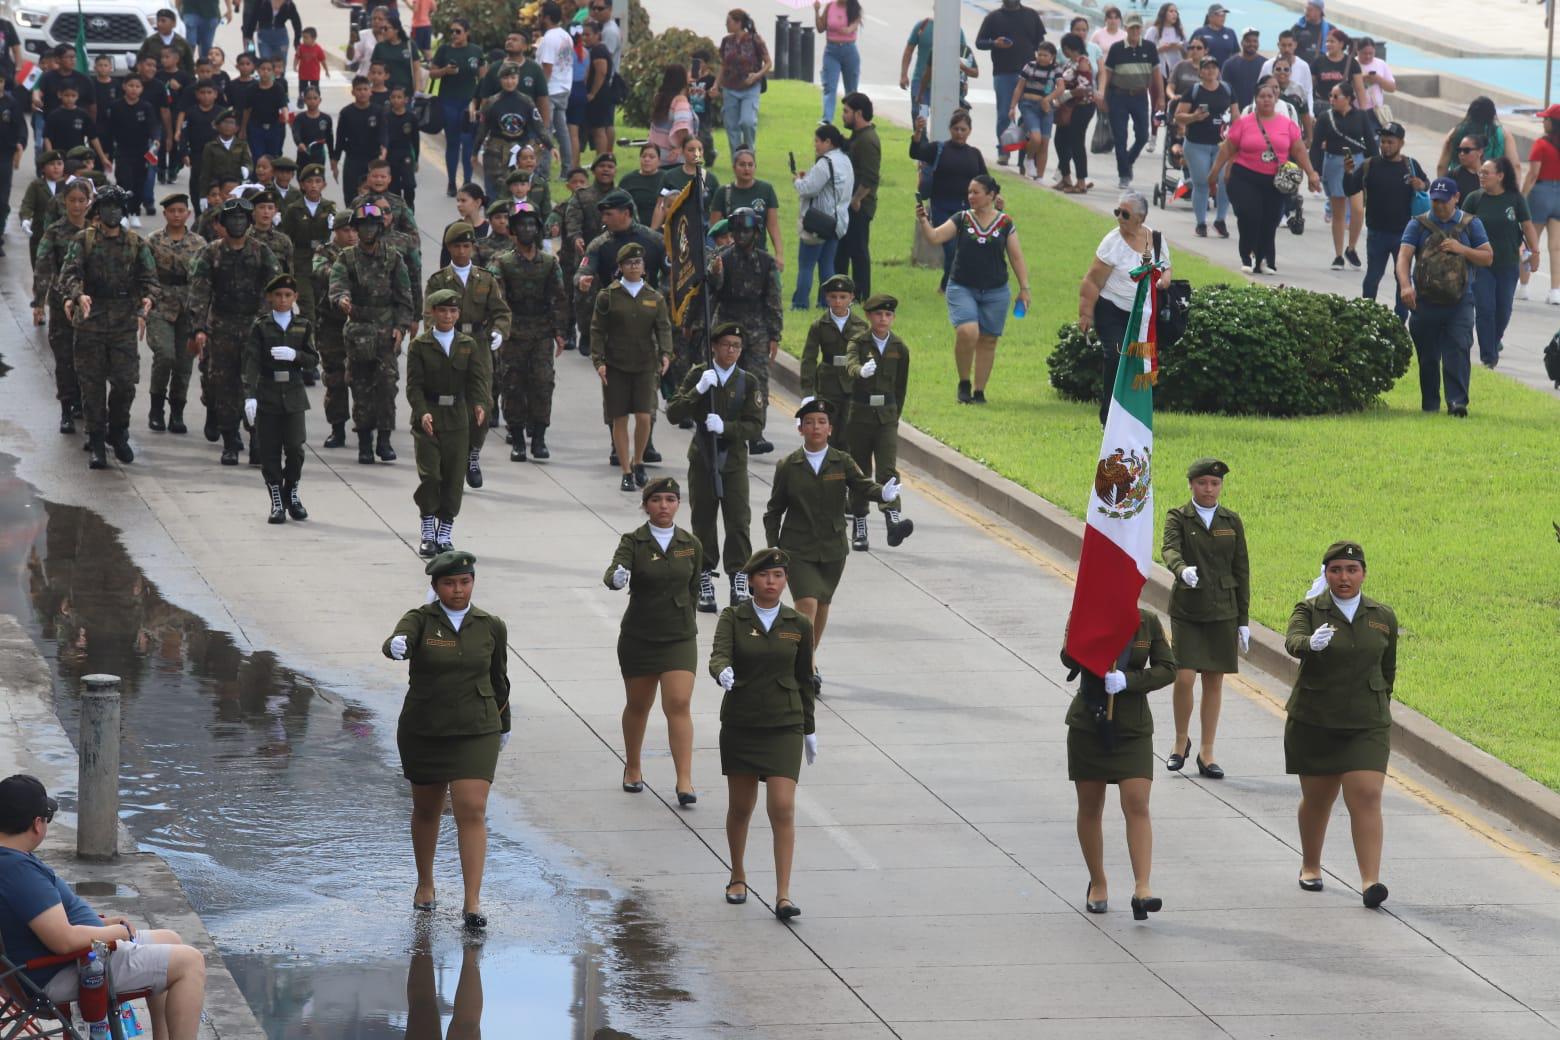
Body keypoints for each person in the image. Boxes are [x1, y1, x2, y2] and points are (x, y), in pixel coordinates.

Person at [0, 775, 209, 1039]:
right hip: (62, 971)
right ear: (37, 824)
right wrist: (117, 934)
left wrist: (103, 924)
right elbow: (63, 941)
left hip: (56, 962)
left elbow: (45, 922)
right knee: (190, 961)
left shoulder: (11, 860)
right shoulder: (18, 872)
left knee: (170, 939)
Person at [383, 550, 510, 932]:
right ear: (436, 587)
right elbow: (395, 640)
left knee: (472, 807)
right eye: (450, 583)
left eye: (465, 581)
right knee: (428, 809)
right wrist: (396, 647)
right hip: (426, 727)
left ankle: (472, 901)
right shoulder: (421, 620)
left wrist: (503, 725)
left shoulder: (490, 625)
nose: (458, 589)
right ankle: (425, 883)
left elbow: (499, 678)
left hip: (477, 727)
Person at [1283, 541, 1396, 909]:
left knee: (1366, 795)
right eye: (1336, 570)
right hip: (1316, 719)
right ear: (1325, 574)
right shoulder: (1311, 609)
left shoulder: (1382, 615)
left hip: (1366, 722)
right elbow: (1293, 640)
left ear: (1363, 573)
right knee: (1319, 798)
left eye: (1351, 570)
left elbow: (1388, 668)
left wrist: (1378, 703)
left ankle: (1370, 882)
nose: (1344, 578)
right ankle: (1311, 864)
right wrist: (1309, 645)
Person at [710, 547, 818, 920]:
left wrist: (809, 729)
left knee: (783, 807)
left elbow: (805, 677)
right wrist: (721, 672)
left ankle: (783, 895)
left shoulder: (799, 623)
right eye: (765, 576)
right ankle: (737, 875)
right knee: (741, 807)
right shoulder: (733, 618)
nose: (772, 583)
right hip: (743, 722)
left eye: (779, 576)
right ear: (751, 580)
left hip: (784, 724)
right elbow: (718, 655)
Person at [763, 398, 903, 656]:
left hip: (832, 550)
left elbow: (862, 485)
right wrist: (774, 547)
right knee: (806, 604)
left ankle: (806, 657)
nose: (815, 427)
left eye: (821, 422)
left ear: (830, 429)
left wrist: (883, 493)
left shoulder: (842, 462)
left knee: (823, 604)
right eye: (809, 423)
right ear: (800, 429)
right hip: (797, 549)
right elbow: (773, 511)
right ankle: (807, 665)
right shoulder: (788, 466)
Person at [1060, 609, 1174, 920]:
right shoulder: (1086, 611)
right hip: (1089, 721)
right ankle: (1097, 882)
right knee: (1090, 806)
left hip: (1132, 728)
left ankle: (1143, 887)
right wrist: (1089, 630)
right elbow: (1068, 659)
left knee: (1137, 802)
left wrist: (1130, 680)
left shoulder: (1147, 622)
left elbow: (1168, 669)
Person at [602, 476, 705, 801]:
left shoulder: (690, 543)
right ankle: (633, 767)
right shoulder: (634, 541)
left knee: (678, 703)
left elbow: (694, 589)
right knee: (638, 704)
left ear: (678, 504)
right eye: (657, 499)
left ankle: (684, 781)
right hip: (640, 636)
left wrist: (683, 614)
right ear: (646, 505)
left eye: (671, 499)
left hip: (679, 636)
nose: (664, 506)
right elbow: (614, 572)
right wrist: (617, 579)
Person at [665, 324, 764, 611]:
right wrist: (698, 390)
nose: (731, 350)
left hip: (733, 462)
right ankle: (705, 577)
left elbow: (756, 426)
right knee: (704, 522)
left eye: (736, 345)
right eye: (725, 344)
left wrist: (727, 427)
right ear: (714, 347)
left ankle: (739, 578)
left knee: (738, 522)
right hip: (703, 460)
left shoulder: (748, 382)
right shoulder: (700, 375)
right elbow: (673, 413)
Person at [1160, 457, 1249, 778]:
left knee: (1214, 681)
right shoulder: (1178, 517)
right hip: (1188, 609)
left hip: (1223, 610)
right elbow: (1169, 549)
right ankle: (1180, 742)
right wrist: (1181, 570)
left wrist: (1243, 620)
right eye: (1202, 483)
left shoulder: (1231, 520)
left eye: (1214, 483)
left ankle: (1206, 752)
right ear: (1191, 485)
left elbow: (1241, 569)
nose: (1209, 489)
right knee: (1184, 677)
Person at [59, 187, 158, 471]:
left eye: (117, 207)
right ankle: (98, 441)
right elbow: (70, 273)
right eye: (107, 206)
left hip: (124, 323)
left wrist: (148, 300)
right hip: (90, 321)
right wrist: (78, 294)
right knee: (91, 386)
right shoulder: (84, 240)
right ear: (98, 211)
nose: (112, 212)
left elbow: (150, 280)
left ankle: (118, 430)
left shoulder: (135, 243)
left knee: (125, 384)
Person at [916, 175, 1031, 405]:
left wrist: (1024, 289)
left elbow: (1016, 257)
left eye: (976, 192)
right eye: (969, 192)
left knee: (988, 340)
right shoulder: (962, 219)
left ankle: (979, 392)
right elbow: (935, 237)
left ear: (990, 195)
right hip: (962, 286)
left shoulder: (1005, 223)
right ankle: (963, 383)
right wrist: (923, 221)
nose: (971, 196)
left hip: (996, 291)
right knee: (968, 332)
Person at [1396, 178, 1492, 417]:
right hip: (1424, 301)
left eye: (1444, 200)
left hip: (1460, 301)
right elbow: (1404, 257)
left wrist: (1462, 250)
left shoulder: (1472, 224)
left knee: (1458, 350)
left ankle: (1457, 403)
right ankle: (1430, 404)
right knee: (1427, 356)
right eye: (1435, 200)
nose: (1439, 205)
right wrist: (1406, 286)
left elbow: (1488, 257)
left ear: (1456, 198)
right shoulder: (1417, 225)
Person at [328, 201, 414, 464]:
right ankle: (365, 442)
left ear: (379, 228)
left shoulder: (393, 257)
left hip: (386, 333)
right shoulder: (347, 258)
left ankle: (384, 440)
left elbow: (404, 298)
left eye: (372, 226)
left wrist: (400, 328)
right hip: (358, 332)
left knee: (387, 386)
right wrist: (342, 299)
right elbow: (337, 285)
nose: (367, 231)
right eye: (363, 226)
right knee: (361, 387)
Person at [424, 223, 509, 489]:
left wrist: (499, 332)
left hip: (478, 346)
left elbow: (501, 311)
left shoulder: (485, 279)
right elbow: (429, 314)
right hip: (448, 345)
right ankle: (451, 458)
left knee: (482, 404)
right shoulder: (439, 280)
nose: (462, 251)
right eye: (457, 246)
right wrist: (434, 337)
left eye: (466, 246)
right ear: (449, 248)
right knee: (448, 405)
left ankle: (473, 454)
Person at [405, 290, 489, 554]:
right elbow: (413, 386)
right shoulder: (420, 345)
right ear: (432, 312)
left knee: (454, 478)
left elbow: (476, 380)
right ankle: (428, 528)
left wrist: (480, 404)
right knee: (430, 475)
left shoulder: (467, 344)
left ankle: (445, 532)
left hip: (457, 418)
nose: (448, 316)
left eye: (453, 311)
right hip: (429, 417)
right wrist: (421, 412)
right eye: (443, 310)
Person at [1077, 191, 1170, 424]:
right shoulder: (1112, 242)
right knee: (1116, 358)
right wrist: (1085, 313)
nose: (1119, 217)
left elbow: (1166, 267)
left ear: (1141, 217)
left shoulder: (1155, 239)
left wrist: (1165, 279)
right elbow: (1092, 280)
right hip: (1112, 311)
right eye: (1117, 212)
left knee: (1141, 365)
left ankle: (1135, 415)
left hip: (1143, 315)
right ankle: (1108, 417)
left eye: (1125, 214)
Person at [1209, 82, 1320, 275]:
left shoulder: (1288, 125)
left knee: (1270, 220)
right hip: (1245, 176)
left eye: (1270, 96)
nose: (1266, 100)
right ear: (1255, 99)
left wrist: (1311, 173)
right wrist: (1214, 173)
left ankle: (1264, 259)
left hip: (1275, 180)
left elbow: (1299, 149)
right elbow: (1228, 148)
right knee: (1249, 215)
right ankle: (1247, 255)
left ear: (1276, 99)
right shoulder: (1244, 123)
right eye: (1262, 96)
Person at [592, 242, 672, 491]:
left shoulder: (654, 297)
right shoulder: (608, 296)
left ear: (644, 266)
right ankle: (626, 470)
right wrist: (599, 360)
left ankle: (639, 463)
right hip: (616, 364)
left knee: (645, 416)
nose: (634, 267)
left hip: (645, 364)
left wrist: (666, 353)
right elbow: (597, 329)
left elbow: (663, 327)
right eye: (629, 263)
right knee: (619, 417)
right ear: (621, 267)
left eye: (638, 263)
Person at [493, 202, 568, 462]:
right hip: (513, 332)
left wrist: (560, 332)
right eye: (521, 225)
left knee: (543, 384)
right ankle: (517, 438)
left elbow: (558, 298)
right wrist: (499, 329)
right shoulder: (502, 262)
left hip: (541, 332)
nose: (527, 229)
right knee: (512, 384)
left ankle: (539, 438)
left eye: (531, 225)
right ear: (513, 230)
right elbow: (498, 298)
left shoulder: (548, 262)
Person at [843, 294, 916, 552]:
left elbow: (901, 387)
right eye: (878, 314)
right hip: (861, 414)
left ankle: (892, 521)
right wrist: (859, 370)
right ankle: (860, 524)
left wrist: (894, 416)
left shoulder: (899, 347)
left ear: (893, 318)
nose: (883, 319)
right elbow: (850, 363)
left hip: (886, 415)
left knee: (887, 469)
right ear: (870, 317)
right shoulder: (859, 342)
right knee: (861, 471)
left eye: (888, 315)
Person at [242, 273, 316, 523]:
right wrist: (250, 396)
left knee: (295, 448)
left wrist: (295, 355)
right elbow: (251, 362)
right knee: (269, 450)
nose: (283, 300)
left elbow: (313, 359)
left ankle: (291, 491)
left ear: (295, 297)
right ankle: (276, 498)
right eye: (278, 295)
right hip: (268, 394)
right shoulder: (261, 326)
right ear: (270, 298)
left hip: (293, 394)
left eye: (288, 295)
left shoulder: (303, 325)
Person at [708, 207, 783, 450]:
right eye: (737, 230)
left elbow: (773, 300)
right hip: (728, 323)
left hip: (757, 328)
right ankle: (723, 428)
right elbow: (711, 293)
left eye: (746, 231)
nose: (741, 235)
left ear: (757, 233)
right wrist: (715, 273)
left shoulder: (765, 261)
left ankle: (756, 432)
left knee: (758, 380)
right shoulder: (722, 258)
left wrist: (774, 335)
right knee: (724, 379)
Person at [1344, 122, 1425, 320]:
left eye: (1390, 142)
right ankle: (1366, 316)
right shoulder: (1369, 165)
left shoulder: (1410, 165)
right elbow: (1350, 189)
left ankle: (1400, 319)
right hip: (1377, 233)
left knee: (1402, 279)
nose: (1385, 146)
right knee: (1372, 278)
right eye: (1383, 141)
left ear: (1401, 143)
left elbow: (1427, 186)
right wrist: (1347, 173)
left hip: (1405, 235)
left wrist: (1421, 185)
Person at [1460, 159, 1535, 370]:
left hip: (1508, 264)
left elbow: (1528, 227)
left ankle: (1492, 343)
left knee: (1503, 310)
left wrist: (1535, 252)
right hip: (1480, 264)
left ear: (1500, 176)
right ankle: (1488, 357)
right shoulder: (1474, 199)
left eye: (1486, 173)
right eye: (1480, 173)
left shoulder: (1515, 199)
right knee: (1485, 309)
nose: (1481, 176)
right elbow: (1461, 228)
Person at [29, 176, 87, 434]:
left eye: (81, 200)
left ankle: (83, 403)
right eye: (72, 200)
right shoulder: (54, 232)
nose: (77, 205)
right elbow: (43, 267)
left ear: (89, 202)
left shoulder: (95, 232)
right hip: (61, 303)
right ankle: (66, 409)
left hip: (89, 305)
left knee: (87, 358)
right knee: (64, 358)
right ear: (64, 202)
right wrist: (39, 302)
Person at [145, 193, 205, 436]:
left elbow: (203, 279)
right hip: (161, 304)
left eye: (181, 211)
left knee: (184, 363)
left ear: (188, 214)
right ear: (165, 214)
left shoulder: (199, 244)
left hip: (189, 308)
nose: (177, 215)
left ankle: (177, 411)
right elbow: (145, 272)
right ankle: (156, 407)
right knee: (165, 355)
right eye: (173, 211)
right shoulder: (153, 241)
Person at [910, 110, 989, 290]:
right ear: (950, 129)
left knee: (964, 251)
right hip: (941, 208)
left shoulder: (974, 154)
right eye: (956, 129)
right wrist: (917, 133)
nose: (959, 133)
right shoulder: (939, 149)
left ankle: (950, 285)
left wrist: (995, 195)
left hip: (966, 211)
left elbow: (986, 180)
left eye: (963, 129)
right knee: (951, 249)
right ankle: (948, 286)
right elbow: (915, 153)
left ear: (969, 131)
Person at [790, 123, 853, 311]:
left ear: (828, 142)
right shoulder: (845, 160)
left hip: (818, 223)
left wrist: (798, 181)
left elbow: (809, 188)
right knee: (827, 265)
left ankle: (800, 303)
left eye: (817, 141)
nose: (815, 145)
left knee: (806, 265)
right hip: (837, 222)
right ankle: (827, 302)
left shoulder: (826, 162)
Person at [1096, 13, 1162, 189]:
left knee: (1143, 136)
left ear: (1141, 29)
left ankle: (1128, 160)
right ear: (1126, 28)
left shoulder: (1149, 47)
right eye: (1131, 27)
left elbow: (1156, 74)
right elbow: (1108, 74)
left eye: (1137, 28)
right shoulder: (1117, 48)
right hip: (1118, 96)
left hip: (1140, 96)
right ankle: (1124, 174)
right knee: (1120, 137)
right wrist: (1102, 95)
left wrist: (1161, 97)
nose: (1134, 31)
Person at [976, 0, 1046, 167]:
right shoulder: (993, 17)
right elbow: (980, 42)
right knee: (1004, 115)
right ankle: (1004, 152)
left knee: (1029, 114)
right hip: (1004, 73)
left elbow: (1041, 44)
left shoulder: (1031, 15)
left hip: (1030, 75)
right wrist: (994, 43)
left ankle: (1026, 154)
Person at [799, 273, 865, 449]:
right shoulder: (819, 325)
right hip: (828, 384)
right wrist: (807, 392)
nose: (838, 302)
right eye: (833, 297)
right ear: (826, 298)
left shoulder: (861, 326)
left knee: (849, 433)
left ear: (851, 298)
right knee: (828, 432)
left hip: (852, 384)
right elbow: (809, 358)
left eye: (843, 297)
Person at [1315, 83, 1376, 270]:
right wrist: (1315, 171)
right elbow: (1316, 146)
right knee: (1338, 210)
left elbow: (1371, 142)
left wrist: (1376, 166)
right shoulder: (1326, 118)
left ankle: (1352, 247)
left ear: (1348, 98)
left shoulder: (1361, 116)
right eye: (1331, 96)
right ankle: (1339, 254)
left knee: (1358, 209)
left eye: (1336, 96)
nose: (1332, 100)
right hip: (1334, 162)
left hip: (1356, 161)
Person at [474, 64, 552, 202]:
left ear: (518, 79)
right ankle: (493, 219)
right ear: (500, 80)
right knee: (494, 193)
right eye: (505, 78)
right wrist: (474, 153)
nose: (509, 81)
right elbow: (482, 129)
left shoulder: (527, 101)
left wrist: (551, 146)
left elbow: (539, 126)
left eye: (513, 77)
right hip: (495, 155)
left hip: (520, 154)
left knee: (518, 193)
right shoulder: (491, 102)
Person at [1174, 55, 1233, 238]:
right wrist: (1193, 117)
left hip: (1221, 145)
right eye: (1206, 67)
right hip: (1197, 144)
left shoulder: (1227, 89)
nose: (1210, 71)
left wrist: (1236, 139)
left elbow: (1237, 116)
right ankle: (1201, 222)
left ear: (1218, 70)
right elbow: (1178, 115)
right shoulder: (1193, 91)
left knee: (1225, 181)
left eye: (1214, 67)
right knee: (1201, 183)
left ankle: (1220, 220)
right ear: (1200, 71)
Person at [428, 19, 484, 195]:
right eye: (452, 31)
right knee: (452, 143)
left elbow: (484, 78)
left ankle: (467, 183)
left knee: (468, 143)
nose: (454, 34)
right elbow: (432, 73)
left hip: (468, 104)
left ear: (467, 32)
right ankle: (452, 182)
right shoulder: (444, 50)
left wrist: (479, 102)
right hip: (448, 102)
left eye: (458, 31)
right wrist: (445, 71)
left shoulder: (476, 51)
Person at [709, 148, 784, 260]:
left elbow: (773, 226)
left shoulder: (766, 190)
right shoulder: (723, 192)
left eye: (750, 165)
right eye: (742, 165)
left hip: (759, 254)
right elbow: (714, 228)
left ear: (755, 167)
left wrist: (779, 254)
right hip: (731, 256)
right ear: (734, 167)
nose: (747, 169)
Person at [838, 93, 878, 297]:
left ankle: (862, 294)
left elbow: (871, 177)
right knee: (843, 250)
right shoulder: (858, 136)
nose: (843, 115)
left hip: (860, 206)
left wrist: (857, 199)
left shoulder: (868, 140)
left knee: (858, 251)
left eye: (846, 111)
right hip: (849, 203)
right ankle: (842, 291)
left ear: (858, 113)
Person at [716, 10, 771, 158]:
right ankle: (737, 158)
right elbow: (723, 65)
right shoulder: (726, 41)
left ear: (738, 23)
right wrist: (716, 85)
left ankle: (749, 152)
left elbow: (768, 63)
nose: (726, 24)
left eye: (729, 22)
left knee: (747, 122)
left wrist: (757, 75)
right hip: (730, 87)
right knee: (731, 126)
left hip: (750, 88)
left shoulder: (755, 40)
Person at [1522, 104, 1560, 304]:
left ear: (1552, 123)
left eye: (1546, 119)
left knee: (1531, 242)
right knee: (1556, 247)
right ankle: (1555, 291)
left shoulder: (1541, 145)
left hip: (1540, 193)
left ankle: (1524, 286)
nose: (1543, 121)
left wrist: (1522, 196)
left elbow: (1533, 174)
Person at [901, 15, 971, 121]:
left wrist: (964, 80)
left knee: (942, 121)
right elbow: (909, 50)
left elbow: (964, 57)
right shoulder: (923, 26)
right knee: (921, 117)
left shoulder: (956, 30)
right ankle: (921, 137)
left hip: (944, 87)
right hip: (922, 85)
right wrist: (903, 75)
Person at [1010, 42, 1061, 183]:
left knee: (1044, 142)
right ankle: (1029, 158)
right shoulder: (1029, 66)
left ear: (1052, 56)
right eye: (1040, 54)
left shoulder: (1055, 70)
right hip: (1028, 105)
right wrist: (1012, 106)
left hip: (1046, 109)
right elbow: (1019, 87)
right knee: (1036, 138)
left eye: (1046, 55)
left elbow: (1061, 88)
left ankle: (1039, 176)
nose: (1042, 58)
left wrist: (1048, 99)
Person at [1436, 96, 1520, 182]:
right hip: (1492, 186)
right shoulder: (1503, 134)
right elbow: (1515, 166)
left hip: (1459, 183)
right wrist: (1515, 192)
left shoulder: (1456, 132)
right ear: (1493, 114)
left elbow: (1442, 166)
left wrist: (1442, 188)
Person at [1054, 34, 1097, 194]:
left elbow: (1083, 89)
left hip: (1081, 107)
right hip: (1069, 107)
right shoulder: (1070, 62)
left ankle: (1081, 181)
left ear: (1067, 48)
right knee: (1060, 140)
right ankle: (1065, 177)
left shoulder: (1082, 62)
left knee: (1076, 142)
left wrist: (1063, 96)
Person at [535, 1, 574, 172]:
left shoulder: (549, 38)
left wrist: (540, 92)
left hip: (550, 90)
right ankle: (567, 169)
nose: (538, 18)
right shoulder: (565, 36)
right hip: (564, 87)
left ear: (547, 18)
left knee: (545, 131)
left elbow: (547, 68)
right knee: (562, 131)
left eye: (540, 15)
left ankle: (544, 169)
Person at [814, 0, 862, 125]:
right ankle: (827, 119)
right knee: (830, 86)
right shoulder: (830, 6)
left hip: (849, 50)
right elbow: (820, 28)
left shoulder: (854, 7)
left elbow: (854, 26)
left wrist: (848, 29)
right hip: (831, 51)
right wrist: (816, 11)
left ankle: (853, 119)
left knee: (851, 89)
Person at [647, 63, 695, 169]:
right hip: (674, 158)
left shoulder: (659, 98)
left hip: (656, 153)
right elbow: (682, 127)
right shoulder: (680, 101)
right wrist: (682, 148)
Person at [581, 19, 614, 155]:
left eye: (587, 35)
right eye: (583, 34)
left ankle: (602, 159)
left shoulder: (598, 50)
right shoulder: (597, 49)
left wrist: (593, 93)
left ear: (597, 35)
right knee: (602, 128)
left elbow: (601, 72)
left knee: (598, 130)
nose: (584, 38)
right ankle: (604, 157)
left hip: (599, 95)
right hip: (602, 94)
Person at [245, 0, 301, 67]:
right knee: (265, 62)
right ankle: (270, 77)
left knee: (280, 64)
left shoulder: (289, 4)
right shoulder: (262, 2)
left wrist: (297, 41)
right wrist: (249, 35)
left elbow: (297, 23)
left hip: (281, 37)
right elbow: (253, 18)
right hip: (264, 37)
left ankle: (279, 77)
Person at [1353, 37, 1393, 130]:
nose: (1368, 56)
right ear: (1357, 51)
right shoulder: (1352, 63)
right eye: (1364, 53)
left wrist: (1378, 79)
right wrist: (1361, 79)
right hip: (1355, 109)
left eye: (1371, 53)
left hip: (1375, 111)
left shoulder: (1381, 64)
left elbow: (1392, 88)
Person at [1221, 29, 1264, 110]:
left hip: (1258, 111)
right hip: (1235, 112)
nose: (1252, 44)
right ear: (1241, 43)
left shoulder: (1265, 64)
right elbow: (1224, 90)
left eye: (1255, 41)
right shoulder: (1229, 64)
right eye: (1248, 41)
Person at [1145, 3, 1186, 83]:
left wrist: (1180, 47)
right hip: (1158, 69)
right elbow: (1145, 51)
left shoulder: (1179, 31)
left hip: (1177, 69)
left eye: (1176, 12)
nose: (1174, 14)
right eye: (1171, 11)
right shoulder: (1153, 30)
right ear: (1163, 13)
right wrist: (1160, 49)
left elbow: (1187, 52)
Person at [1290, 0, 1331, 65]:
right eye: (1305, 9)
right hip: (1298, 66)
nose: (1306, 12)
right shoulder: (1298, 27)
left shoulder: (1330, 29)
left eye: (1309, 10)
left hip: (1319, 69)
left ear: (1319, 11)